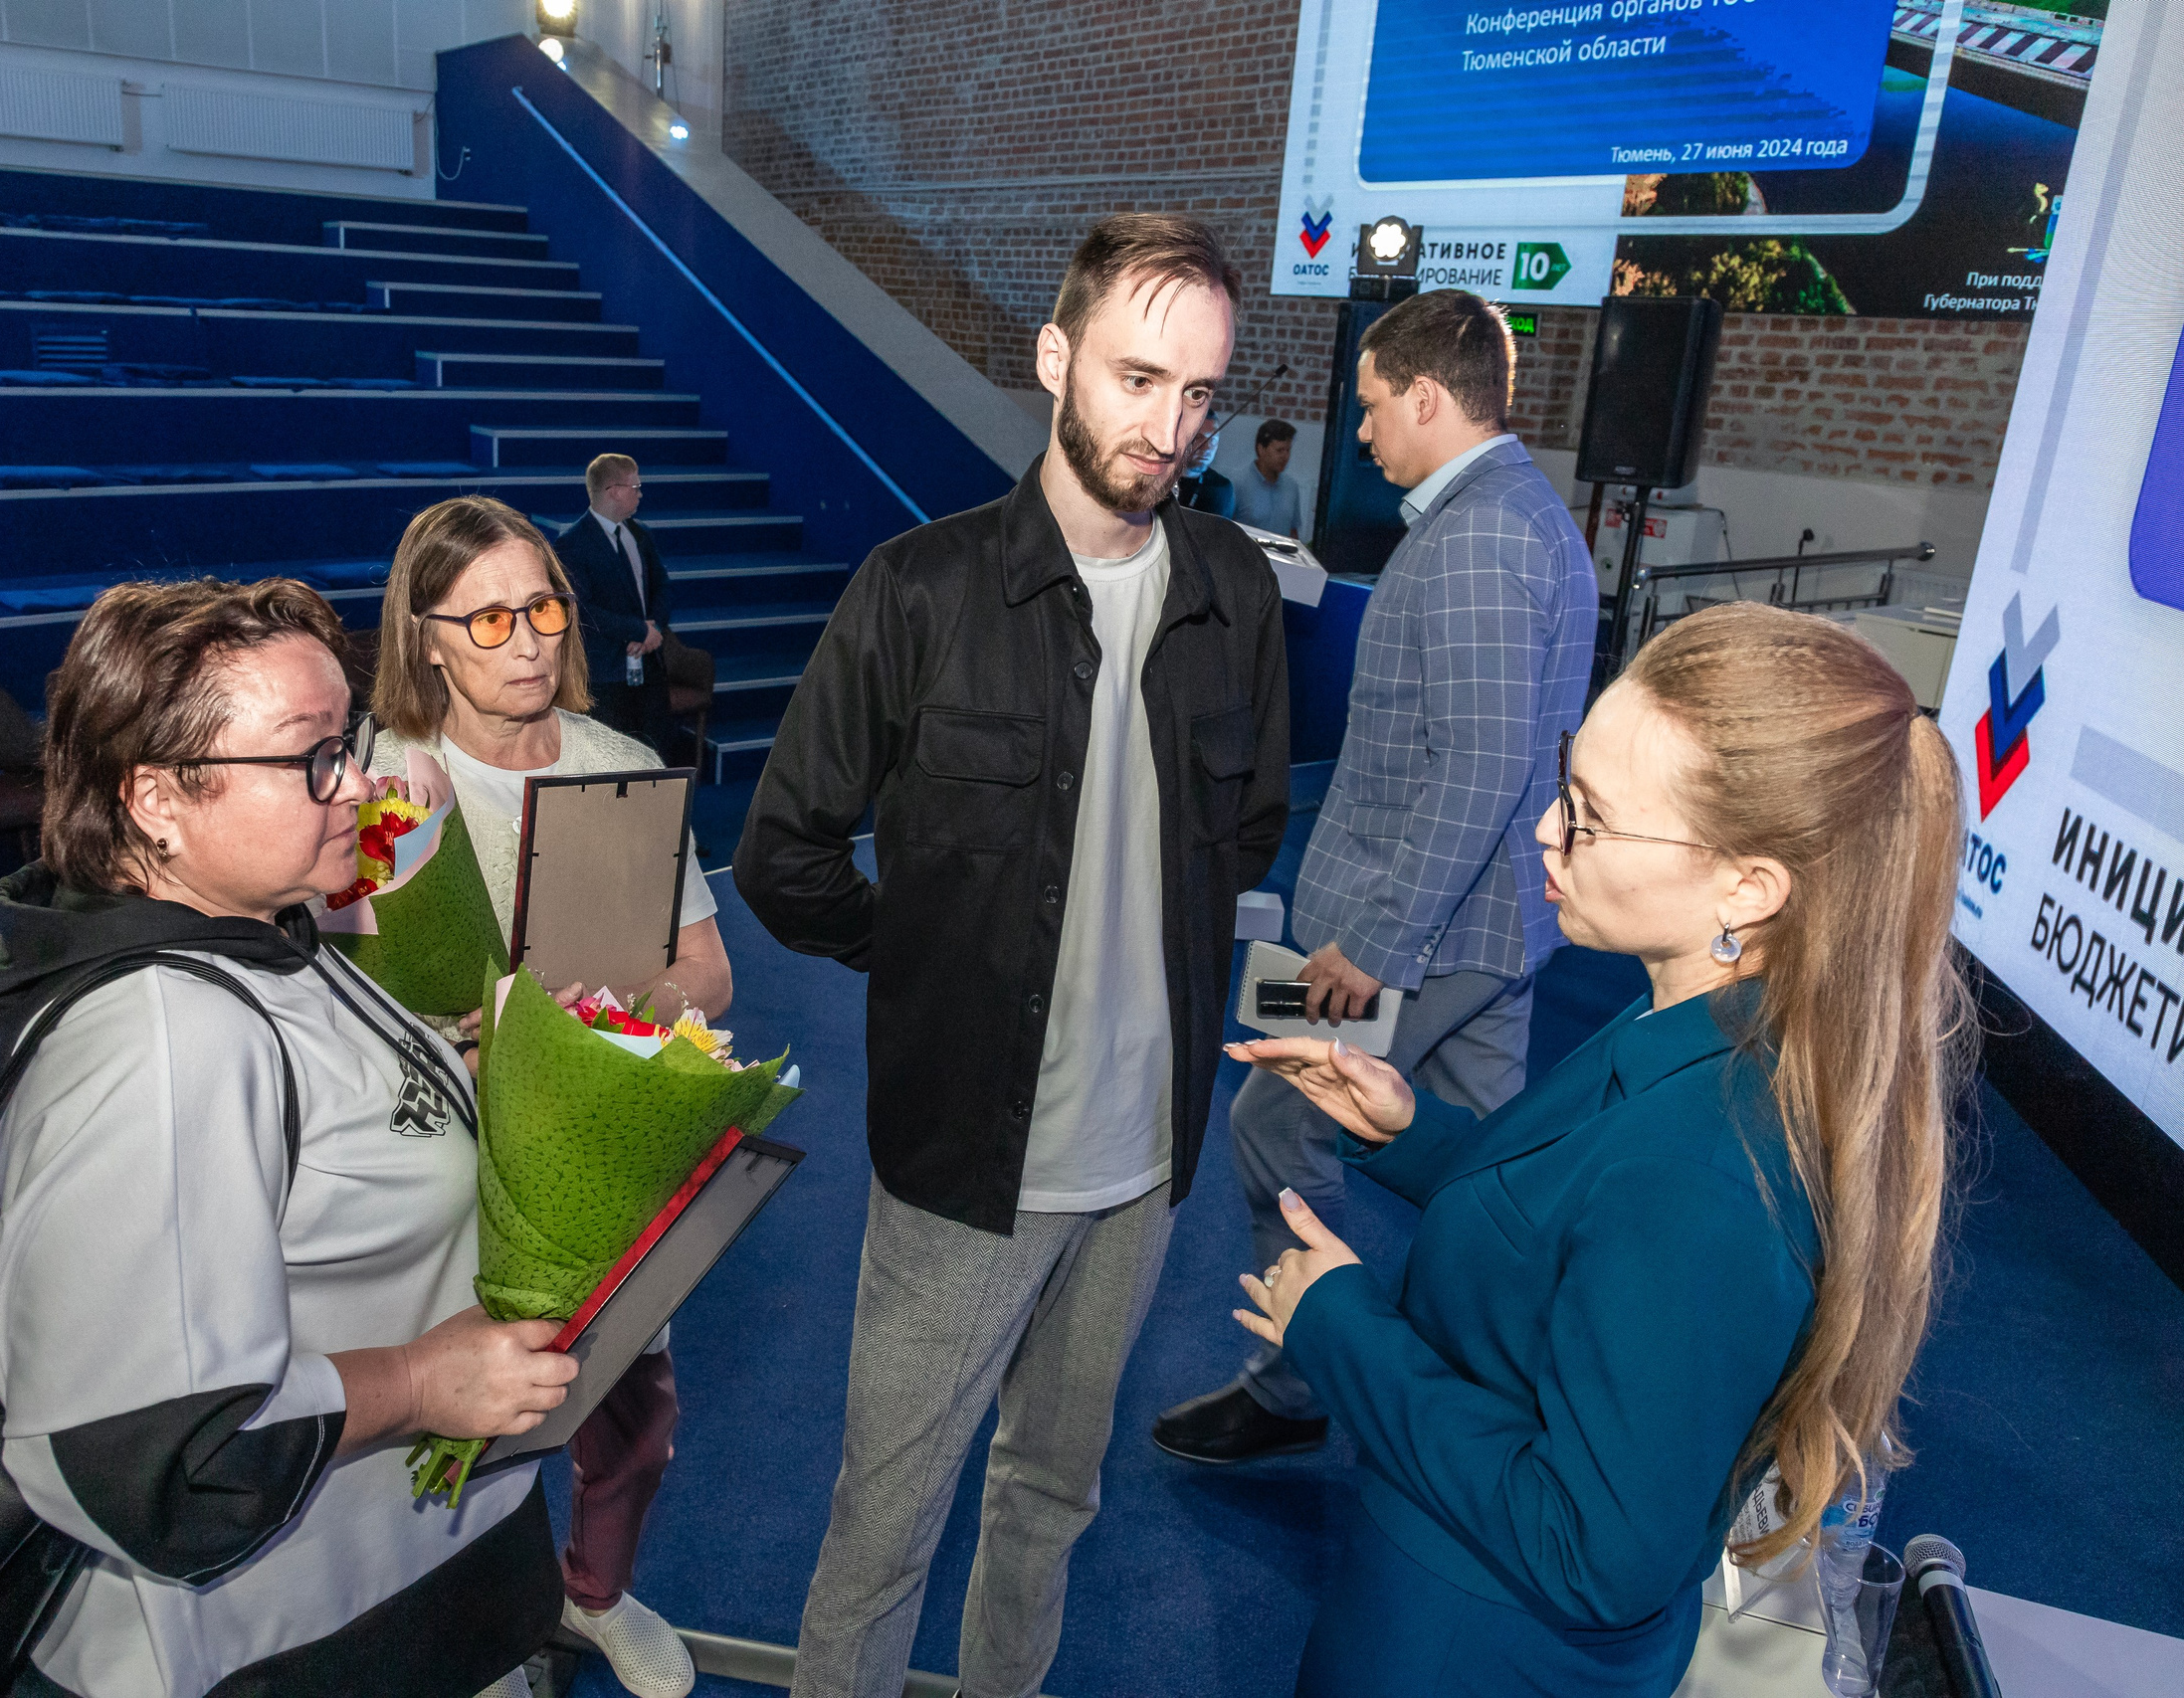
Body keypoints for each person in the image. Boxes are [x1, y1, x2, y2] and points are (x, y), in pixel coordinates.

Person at [735, 213, 1290, 1698]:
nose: (1167, 426)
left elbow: (1249, 836)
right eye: (1135, 376)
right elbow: (780, 856)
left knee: (1053, 1498)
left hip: (1144, 1166)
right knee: (884, 1526)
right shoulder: (919, 590)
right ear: (1054, 357)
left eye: (1199, 395)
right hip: (967, 1163)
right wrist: (923, 957)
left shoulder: (1235, 591)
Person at [1224, 602, 1966, 1697]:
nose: (1544, 834)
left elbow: (1593, 1552)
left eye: (1588, 816)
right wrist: (1406, 1129)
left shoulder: (1707, 1169)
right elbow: (1569, 1217)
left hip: (1473, 1656)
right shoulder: (1687, 1020)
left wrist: (1338, 1323)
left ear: (1746, 889)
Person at [0, 577, 578, 1698]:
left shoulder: (262, 934)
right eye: (311, 758)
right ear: (156, 799)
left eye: (350, 744)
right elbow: (149, 1450)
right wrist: (423, 1381)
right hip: (282, 1640)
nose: (359, 788)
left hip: (387, 1584)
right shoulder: (163, 1036)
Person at [1153, 286, 1596, 1465]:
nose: (1358, 432)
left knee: (1264, 1118)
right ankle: (1514, 1391)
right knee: (1498, 1169)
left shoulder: (1484, 534)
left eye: (1368, 407)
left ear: (1426, 397)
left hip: (1417, 937)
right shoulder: (1511, 514)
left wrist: (1376, 949)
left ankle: (1304, 1374)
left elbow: (1482, 768)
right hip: (1482, 933)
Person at [366, 493, 727, 1698]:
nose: (523, 641)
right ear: (423, 634)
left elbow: (707, 974)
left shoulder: (616, 767)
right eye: (486, 620)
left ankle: (593, 1595)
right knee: (460, 1425)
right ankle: (474, 1633)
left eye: (541, 609)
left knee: (631, 1419)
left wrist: (602, 1017)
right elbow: (336, 1000)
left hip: (601, 1151)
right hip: (437, 1168)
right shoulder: (383, 792)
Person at [555, 453, 676, 753]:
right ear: (614, 491)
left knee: (653, 750)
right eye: (635, 487)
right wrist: (637, 630)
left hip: (649, 666)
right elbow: (579, 609)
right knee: (611, 759)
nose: (640, 494)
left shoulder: (640, 534)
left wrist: (652, 630)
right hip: (605, 674)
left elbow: (662, 586)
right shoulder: (572, 543)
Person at [1227, 418, 1303, 538]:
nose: (1285, 456)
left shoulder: (1291, 487)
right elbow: (1224, 529)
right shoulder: (1237, 483)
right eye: (1279, 450)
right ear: (1261, 449)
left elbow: (1293, 533)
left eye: (1288, 450)